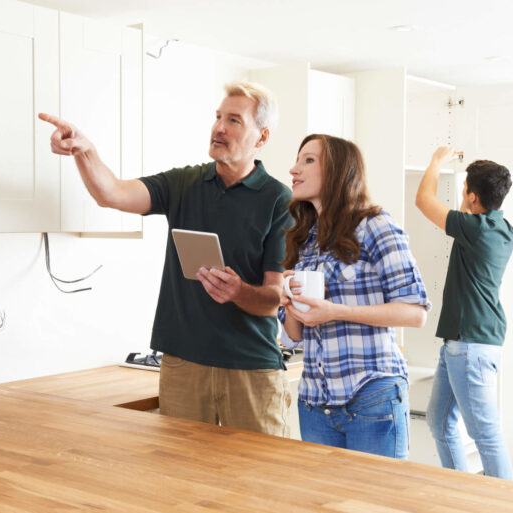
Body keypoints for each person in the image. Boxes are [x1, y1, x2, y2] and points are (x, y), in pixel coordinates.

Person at [39, 81, 293, 436]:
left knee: (259, 483)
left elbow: (273, 299)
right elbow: (112, 193)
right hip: (183, 364)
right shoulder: (184, 183)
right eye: (218, 117)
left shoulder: (279, 199)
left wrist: (238, 291)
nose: (219, 127)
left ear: (261, 138)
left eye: (234, 120)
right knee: (180, 481)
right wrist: (85, 150)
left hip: (250, 367)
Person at [279, 134, 429, 459]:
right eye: (297, 159)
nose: (294, 169)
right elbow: (293, 337)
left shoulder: (376, 225)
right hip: (315, 403)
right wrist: (291, 303)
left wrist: (334, 310)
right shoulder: (304, 238)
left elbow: (414, 312)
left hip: (371, 395)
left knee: (376, 504)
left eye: (308, 160)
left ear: (338, 171)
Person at [415, 147, 513, 479]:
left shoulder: (474, 229)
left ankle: (505, 502)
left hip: (469, 345)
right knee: (439, 421)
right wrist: (468, 195)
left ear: (472, 197)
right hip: (466, 341)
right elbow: (465, 213)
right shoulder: (501, 229)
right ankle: (461, 491)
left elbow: (424, 201)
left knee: (485, 433)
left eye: (465, 193)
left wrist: (436, 162)